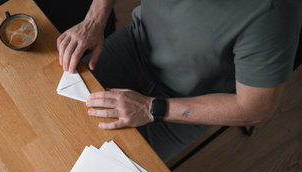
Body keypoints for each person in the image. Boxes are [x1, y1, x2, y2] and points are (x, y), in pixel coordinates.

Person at [56, 0, 302, 162]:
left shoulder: (275, 12)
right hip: (136, 43)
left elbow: (256, 107)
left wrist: (151, 108)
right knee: (57, 118)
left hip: (186, 101)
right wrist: (94, 18)